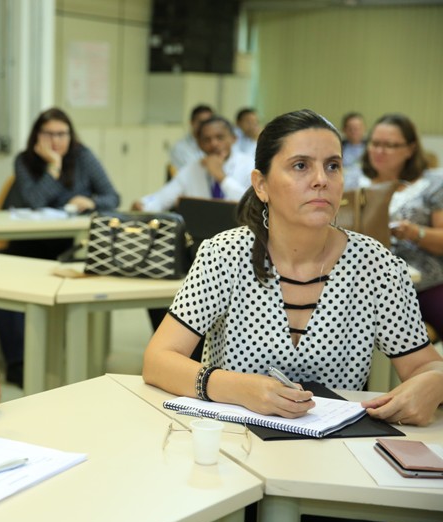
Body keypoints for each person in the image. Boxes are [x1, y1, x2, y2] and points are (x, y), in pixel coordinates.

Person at [143, 108, 443, 424]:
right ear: (261, 185)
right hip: (235, 442)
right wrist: (239, 388)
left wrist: (435, 382)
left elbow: (425, 365)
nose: (321, 180)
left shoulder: (376, 266)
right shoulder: (225, 254)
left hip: (336, 447)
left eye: (333, 166)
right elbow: (158, 359)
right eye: (301, 166)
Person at [0, 107, 120, 386]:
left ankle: (77, 353)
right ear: (37, 136)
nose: (56, 140)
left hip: (70, 244)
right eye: (49, 134)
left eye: (62, 134)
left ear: (70, 135)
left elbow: (112, 196)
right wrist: (53, 166)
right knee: (4, 279)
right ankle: (18, 362)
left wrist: (92, 202)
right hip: (28, 243)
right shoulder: (24, 160)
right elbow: (34, 200)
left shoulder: (83, 157)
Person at [361, 113, 443, 339]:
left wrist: (414, 232)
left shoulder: (433, 184)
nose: (379, 151)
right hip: (364, 285)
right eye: (375, 143)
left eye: (390, 145)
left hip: (424, 284)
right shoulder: (352, 182)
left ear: (410, 149)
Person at [133, 115, 253, 211]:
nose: (214, 144)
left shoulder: (249, 165)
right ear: (199, 144)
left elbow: (252, 206)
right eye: (207, 140)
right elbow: (162, 198)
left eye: (220, 137)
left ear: (233, 138)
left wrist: (221, 178)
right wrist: (143, 204)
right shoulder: (192, 169)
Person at [169, 104, 214, 172]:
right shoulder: (179, 148)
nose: (205, 126)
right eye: (201, 122)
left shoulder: (217, 145)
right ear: (191, 123)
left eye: (209, 122)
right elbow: (184, 174)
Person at [341, 112, 367, 190]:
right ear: (344, 130)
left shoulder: (372, 148)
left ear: (364, 128)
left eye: (357, 128)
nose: (354, 132)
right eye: (350, 128)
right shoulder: (337, 147)